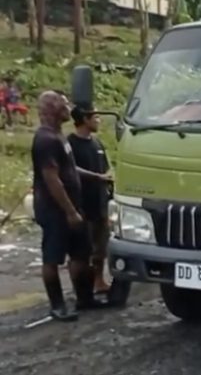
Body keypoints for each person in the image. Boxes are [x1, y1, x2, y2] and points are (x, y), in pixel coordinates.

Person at [31, 91, 109, 321]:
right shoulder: (45, 139)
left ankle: (84, 299)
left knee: (81, 253)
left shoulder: (59, 136)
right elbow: (51, 178)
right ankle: (57, 305)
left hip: (74, 206)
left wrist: (96, 177)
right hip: (55, 209)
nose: (69, 109)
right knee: (53, 257)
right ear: (52, 109)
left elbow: (69, 169)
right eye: (64, 105)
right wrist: (69, 211)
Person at [67, 105, 113, 293]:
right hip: (82, 203)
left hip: (100, 203)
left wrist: (108, 176)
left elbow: (106, 167)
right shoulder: (70, 143)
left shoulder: (97, 143)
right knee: (82, 250)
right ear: (85, 119)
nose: (98, 120)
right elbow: (70, 168)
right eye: (95, 117)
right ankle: (81, 288)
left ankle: (99, 280)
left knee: (100, 248)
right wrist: (97, 177)